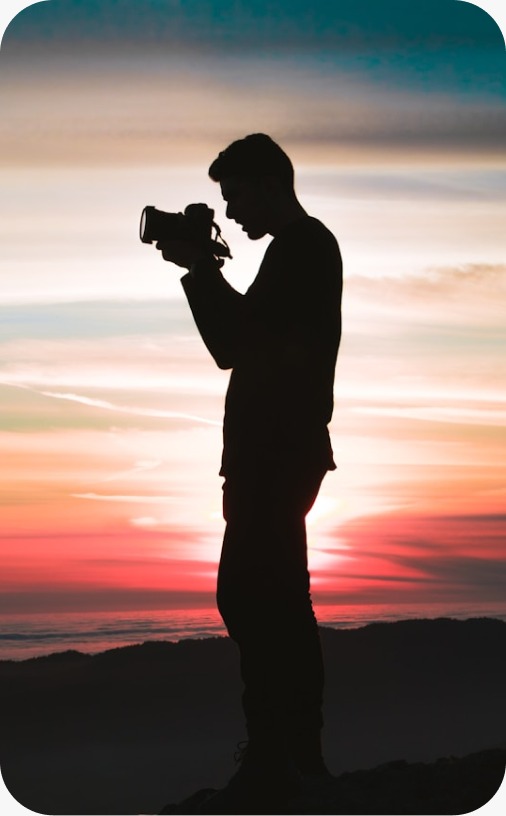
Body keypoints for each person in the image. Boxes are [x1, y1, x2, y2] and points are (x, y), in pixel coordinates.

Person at [157, 133, 342, 813]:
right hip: (276, 452)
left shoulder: (303, 247)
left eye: (236, 196)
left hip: (276, 453)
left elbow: (233, 343)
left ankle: (278, 759)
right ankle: (293, 756)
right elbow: (242, 339)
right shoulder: (296, 251)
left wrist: (199, 270)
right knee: (277, 599)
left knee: (252, 597)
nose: (231, 211)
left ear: (269, 184)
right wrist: (201, 270)